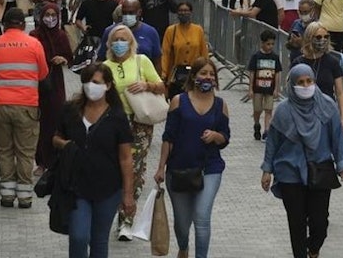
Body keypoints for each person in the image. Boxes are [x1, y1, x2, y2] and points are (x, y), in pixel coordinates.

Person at [261, 64, 343, 258]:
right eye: (300, 82)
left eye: (309, 81)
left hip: (320, 169)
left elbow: (337, 137)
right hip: (289, 172)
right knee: (296, 222)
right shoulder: (283, 111)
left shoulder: (327, 105)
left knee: (320, 223)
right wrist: (267, 170)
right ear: (292, 85)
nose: (305, 85)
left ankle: (313, 249)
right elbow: (272, 142)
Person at [53, 63, 135, 258]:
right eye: (87, 82)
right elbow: (55, 138)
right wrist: (65, 145)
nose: (91, 86)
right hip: (76, 185)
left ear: (107, 85)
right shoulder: (71, 110)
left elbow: (125, 157)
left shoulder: (117, 117)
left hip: (108, 188)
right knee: (79, 236)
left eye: (96, 82)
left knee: (99, 240)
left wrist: (128, 194)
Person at [154, 58, 231, 258]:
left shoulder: (221, 105)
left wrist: (216, 136)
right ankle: (183, 247)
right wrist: (161, 167)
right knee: (182, 221)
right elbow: (168, 137)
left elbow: (225, 137)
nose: (208, 77)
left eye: (212, 74)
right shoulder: (179, 101)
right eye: (203, 73)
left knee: (202, 217)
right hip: (179, 168)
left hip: (209, 168)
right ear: (194, 76)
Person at [102, 24, 167, 240]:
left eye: (124, 39)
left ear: (131, 42)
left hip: (139, 122)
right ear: (110, 44)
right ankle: (112, 212)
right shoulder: (104, 66)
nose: (120, 44)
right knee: (115, 169)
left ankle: (127, 220)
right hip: (113, 123)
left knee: (135, 169)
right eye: (116, 40)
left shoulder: (142, 61)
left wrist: (147, 85)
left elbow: (161, 86)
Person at [0, 8, 50, 209]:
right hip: (26, 105)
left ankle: (6, 196)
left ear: (4, 24)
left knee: (4, 150)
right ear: (23, 24)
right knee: (25, 152)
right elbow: (43, 75)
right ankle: (24, 197)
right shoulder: (34, 44)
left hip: (0, 105)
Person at [30, 1, 77, 173]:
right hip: (36, 82)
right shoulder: (34, 35)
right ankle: (41, 161)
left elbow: (70, 57)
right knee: (40, 124)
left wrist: (62, 59)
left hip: (55, 82)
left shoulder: (61, 36)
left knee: (55, 120)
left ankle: (55, 161)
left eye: (53, 15)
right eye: (47, 15)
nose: (50, 19)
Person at [292, 23, 343, 131]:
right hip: (304, 113)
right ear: (309, 38)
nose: (323, 40)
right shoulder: (298, 63)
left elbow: (340, 93)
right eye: (318, 37)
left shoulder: (332, 62)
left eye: (326, 37)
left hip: (327, 113)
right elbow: (291, 90)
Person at [161, 2, 209, 100]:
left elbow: (203, 52)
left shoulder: (198, 30)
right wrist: (164, 74)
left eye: (186, 11)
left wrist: (206, 71)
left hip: (193, 74)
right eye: (181, 11)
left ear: (191, 13)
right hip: (176, 75)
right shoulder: (171, 31)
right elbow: (165, 53)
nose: (183, 13)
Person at [97, 0, 163, 69]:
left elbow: (157, 62)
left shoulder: (151, 32)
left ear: (139, 12)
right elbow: (101, 59)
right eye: (124, 13)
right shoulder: (110, 31)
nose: (127, 16)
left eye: (131, 13)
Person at [248, 30, 283, 141]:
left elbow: (277, 73)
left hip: (270, 88)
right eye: (268, 44)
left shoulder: (275, 57)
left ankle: (267, 130)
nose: (270, 46)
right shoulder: (256, 56)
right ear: (262, 43)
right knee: (257, 109)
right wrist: (250, 89)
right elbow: (252, 73)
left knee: (269, 109)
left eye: (272, 44)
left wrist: (277, 89)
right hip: (257, 88)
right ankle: (257, 123)